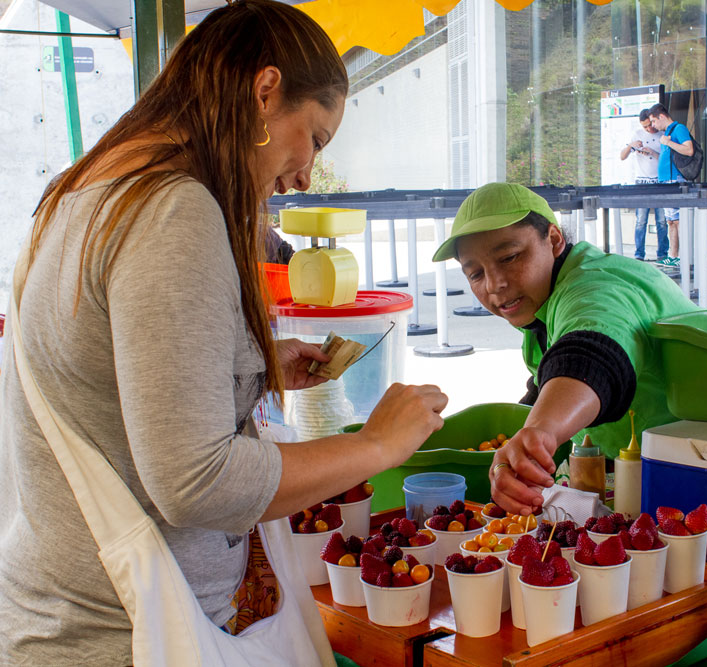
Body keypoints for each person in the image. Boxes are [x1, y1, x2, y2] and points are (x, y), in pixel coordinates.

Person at [0, 2, 447, 663]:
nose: (304, 174)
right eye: (316, 138)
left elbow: (115, 380)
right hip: (116, 635)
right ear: (265, 91)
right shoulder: (173, 208)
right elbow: (196, 479)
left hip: (68, 617)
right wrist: (378, 445)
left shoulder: (90, 189)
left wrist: (252, 371)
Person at [431, 183, 699, 515]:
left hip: (695, 482)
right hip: (634, 479)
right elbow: (551, 379)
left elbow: (590, 357)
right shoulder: (540, 302)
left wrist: (539, 433)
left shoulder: (596, 286)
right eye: (475, 273)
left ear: (554, 239)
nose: (494, 284)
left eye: (510, 257)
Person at [619, 108, 671, 264]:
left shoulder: (662, 134)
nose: (649, 129)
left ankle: (662, 254)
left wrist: (652, 153)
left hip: (660, 182)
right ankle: (639, 254)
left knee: (662, 220)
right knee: (641, 220)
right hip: (642, 182)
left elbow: (669, 158)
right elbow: (622, 156)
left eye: (650, 125)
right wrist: (631, 146)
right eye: (645, 127)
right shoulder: (638, 135)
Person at [648, 103, 694, 266]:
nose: (652, 126)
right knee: (671, 221)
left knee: (679, 220)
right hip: (666, 181)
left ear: (661, 116)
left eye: (653, 121)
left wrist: (668, 143)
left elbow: (689, 150)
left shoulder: (678, 129)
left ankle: (684, 257)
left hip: (676, 180)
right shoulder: (666, 134)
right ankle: (673, 256)